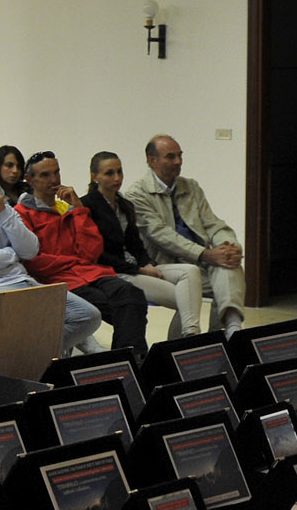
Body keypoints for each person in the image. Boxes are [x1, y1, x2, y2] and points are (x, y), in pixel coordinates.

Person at [0, 150, 103, 355]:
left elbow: (31, 250)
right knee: (38, 327)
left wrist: (3, 213)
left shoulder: (2, 208)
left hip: (23, 282)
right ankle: (36, 359)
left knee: (89, 316)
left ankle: (33, 357)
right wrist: (14, 254)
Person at [14, 151, 150, 357]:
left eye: (56, 172)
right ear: (29, 179)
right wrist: (73, 261)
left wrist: (78, 209)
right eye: (45, 175)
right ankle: (127, 359)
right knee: (120, 307)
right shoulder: (22, 213)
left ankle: (130, 359)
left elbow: (92, 252)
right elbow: (34, 262)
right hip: (58, 281)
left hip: (90, 273)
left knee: (133, 296)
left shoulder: (68, 208)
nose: (54, 179)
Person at [124, 133, 246, 336]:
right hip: (162, 265)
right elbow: (161, 235)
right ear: (152, 161)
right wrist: (205, 254)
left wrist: (230, 247)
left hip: (197, 262)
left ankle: (230, 330)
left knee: (228, 268)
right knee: (193, 281)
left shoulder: (191, 187)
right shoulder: (137, 194)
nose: (178, 161)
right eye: (170, 157)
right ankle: (185, 345)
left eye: (180, 155)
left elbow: (213, 224)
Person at [84, 151, 204, 338]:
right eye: (109, 173)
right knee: (188, 299)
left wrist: (147, 263)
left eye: (119, 171)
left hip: (136, 267)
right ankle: (188, 338)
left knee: (191, 272)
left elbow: (136, 244)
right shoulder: (87, 205)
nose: (117, 178)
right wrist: (140, 270)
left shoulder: (125, 204)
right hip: (115, 272)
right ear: (95, 177)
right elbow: (99, 255)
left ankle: (189, 334)